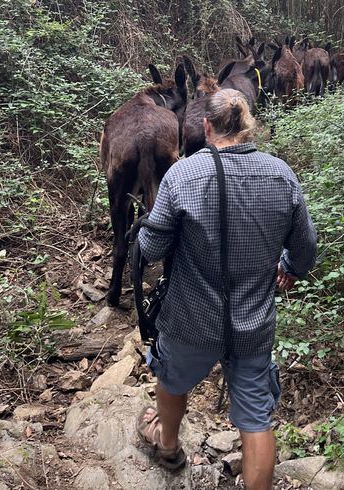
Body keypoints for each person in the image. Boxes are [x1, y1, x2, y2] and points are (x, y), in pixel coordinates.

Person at [135, 88, 317, 489]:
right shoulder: (281, 174)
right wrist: (287, 266)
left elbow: (151, 248)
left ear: (206, 125)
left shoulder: (182, 174)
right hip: (252, 324)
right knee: (255, 419)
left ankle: (167, 445)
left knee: (172, 379)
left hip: (191, 319)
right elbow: (305, 250)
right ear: (249, 125)